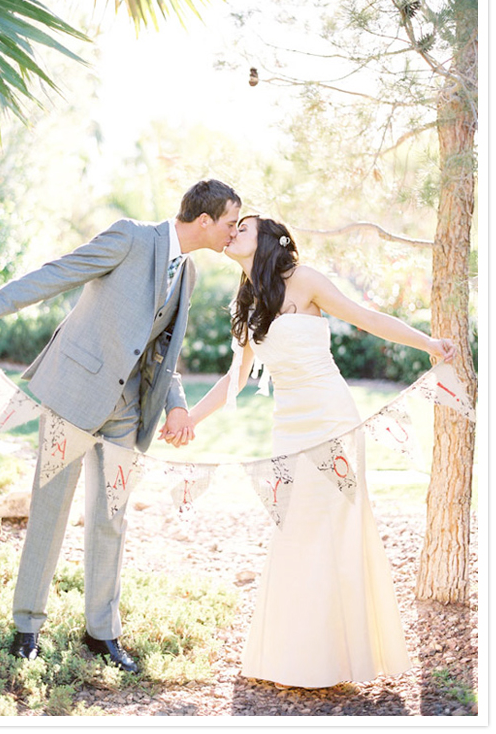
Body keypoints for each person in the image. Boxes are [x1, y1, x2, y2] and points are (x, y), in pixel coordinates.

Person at [0, 179, 241, 671]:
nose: (234, 233)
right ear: (205, 220)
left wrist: (175, 405)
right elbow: (58, 273)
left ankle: (101, 634)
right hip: (75, 396)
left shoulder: (185, 272)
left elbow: (163, 351)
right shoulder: (130, 237)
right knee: (50, 512)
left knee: (112, 519)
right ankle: (26, 627)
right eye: (231, 223)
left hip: (126, 412)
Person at [185, 215, 456, 689]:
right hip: (288, 429)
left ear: (268, 240)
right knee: (295, 530)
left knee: (337, 527)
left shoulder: (304, 280)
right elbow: (236, 378)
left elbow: (366, 318)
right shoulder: (248, 304)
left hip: (333, 419)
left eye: (243, 228)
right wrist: (190, 419)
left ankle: (343, 658)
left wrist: (428, 344)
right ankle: (294, 657)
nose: (233, 233)